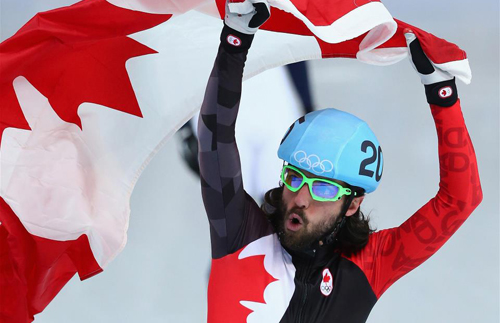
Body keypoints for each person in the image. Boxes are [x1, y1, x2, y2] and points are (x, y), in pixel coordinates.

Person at [197, 1, 482, 322]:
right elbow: (215, 138)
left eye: (322, 188)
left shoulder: (370, 265)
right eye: (294, 178)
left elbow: (460, 201)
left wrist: (442, 93)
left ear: (352, 204)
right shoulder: (240, 234)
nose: (300, 199)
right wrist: (235, 39)